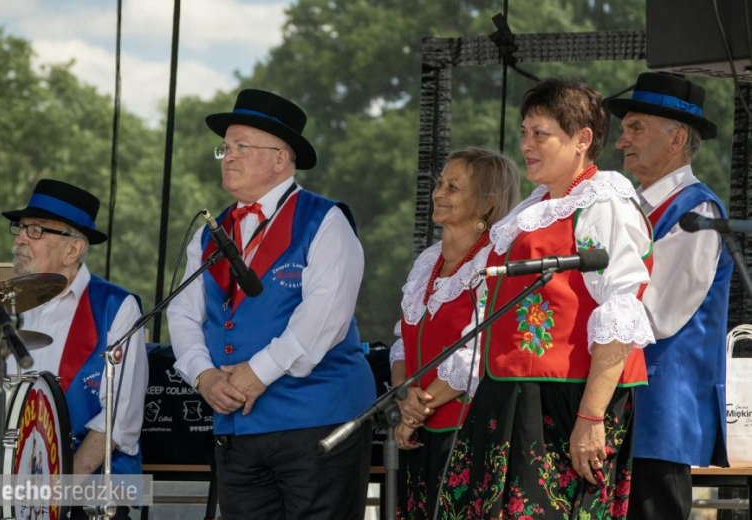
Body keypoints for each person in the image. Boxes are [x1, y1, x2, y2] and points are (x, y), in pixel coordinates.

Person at [438, 79, 655, 519]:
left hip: (566, 399)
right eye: (523, 133)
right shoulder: (532, 209)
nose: (526, 145)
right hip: (513, 394)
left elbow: (620, 310)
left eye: (540, 134)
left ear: (582, 140)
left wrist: (591, 418)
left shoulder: (603, 202)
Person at [166, 88, 376, 519]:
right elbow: (183, 312)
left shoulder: (325, 220)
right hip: (237, 430)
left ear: (281, 159)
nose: (228, 156)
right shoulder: (210, 232)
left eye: (242, 146)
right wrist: (203, 375)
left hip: (317, 423)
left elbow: (324, 320)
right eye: (225, 147)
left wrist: (256, 374)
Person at [608, 72, 731, 520]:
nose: (621, 141)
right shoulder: (637, 206)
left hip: (660, 408)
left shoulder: (695, 209)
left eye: (634, 128)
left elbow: (654, 314)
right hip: (630, 405)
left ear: (676, 138)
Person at [1, 179, 148, 519]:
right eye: (21, 228)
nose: (21, 238)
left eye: (37, 230)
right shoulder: (2, 307)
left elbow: (118, 421)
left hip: (92, 492)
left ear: (73, 249)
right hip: (11, 486)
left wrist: (56, 495)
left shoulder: (116, 307)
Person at [389, 147, 520, 519]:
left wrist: (417, 408)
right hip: (417, 431)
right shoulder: (428, 259)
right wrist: (403, 399)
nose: (438, 192)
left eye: (453, 187)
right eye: (439, 183)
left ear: (486, 202)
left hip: (465, 431)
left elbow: (481, 351)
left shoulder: (496, 261)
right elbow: (403, 341)